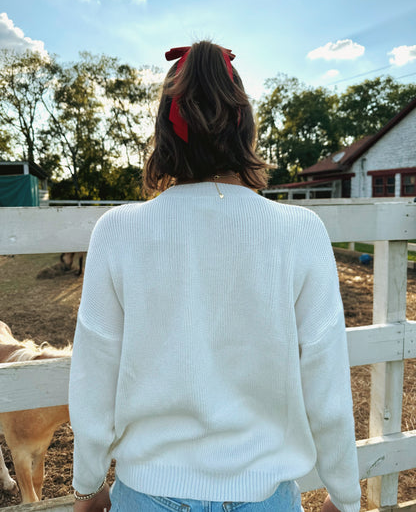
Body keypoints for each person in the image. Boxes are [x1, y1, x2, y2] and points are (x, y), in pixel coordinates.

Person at [69, 41, 361, 512]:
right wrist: (346, 498)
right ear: (243, 126)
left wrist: (86, 486)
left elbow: (93, 380)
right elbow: (327, 385)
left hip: (147, 493)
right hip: (264, 497)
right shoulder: (299, 232)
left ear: (165, 129)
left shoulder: (117, 231)